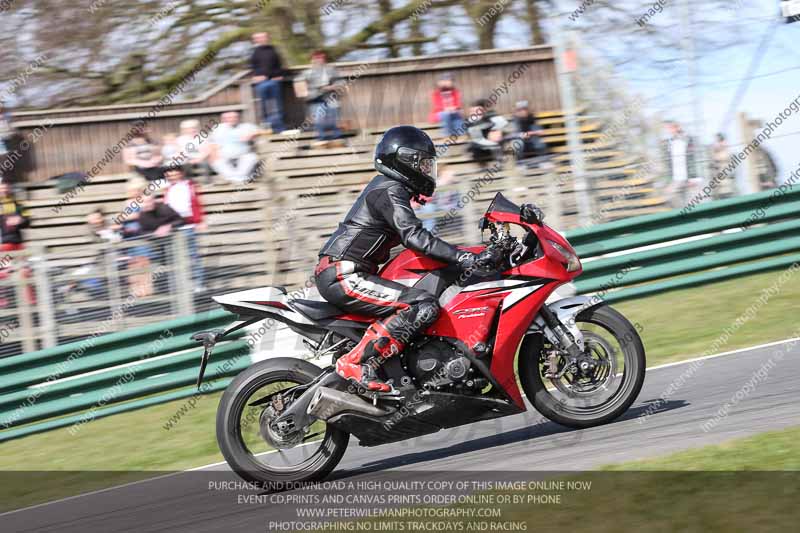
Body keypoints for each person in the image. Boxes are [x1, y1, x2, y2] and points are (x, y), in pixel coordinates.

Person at [315, 126, 494, 392]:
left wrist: (467, 253)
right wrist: (463, 257)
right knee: (419, 305)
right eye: (423, 164)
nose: (427, 170)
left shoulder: (389, 189)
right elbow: (414, 236)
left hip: (348, 272)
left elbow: (417, 238)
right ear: (405, 161)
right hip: (343, 274)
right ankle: (354, 362)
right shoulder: (388, 189)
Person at [163, 167, 206, 291]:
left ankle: (198, 284)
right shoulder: (168, 189)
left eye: (175, 174)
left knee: (193, 256)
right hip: (173, 227)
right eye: (170, 175)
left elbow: (196, 203)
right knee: (174, 257)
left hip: (188, 225)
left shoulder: (189, 185)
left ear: (181, 174)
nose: (173, 177)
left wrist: (200, 221)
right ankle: (177, 287)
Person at [298, 50, 342, 144]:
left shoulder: (331, 70)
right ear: (312, 59)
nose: (319, 60)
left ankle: (336, 139)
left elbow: (341, 82)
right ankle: (322, 140)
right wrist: (309, 92)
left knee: (333, 119)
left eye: (321, 58)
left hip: (330, 98)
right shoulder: (306, 73)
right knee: (319, 121)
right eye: (317, 58)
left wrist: (332, 87)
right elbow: (299, 86)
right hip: (315, 100)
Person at [210, 111, 261, 183]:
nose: (232, 119)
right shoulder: (218, 129)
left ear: (238, 118)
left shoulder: (246, 126)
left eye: (234, 117)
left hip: (243, 154)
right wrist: (214, 154)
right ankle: (238, 179)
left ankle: (236, 178)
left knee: (252, 157)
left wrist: (252, 134)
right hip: (225, 155)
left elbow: (263, 131)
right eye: (228, 118)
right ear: (223, 119)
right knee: (216, 161)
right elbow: (213, 144)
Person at [251, 32, 286, 133]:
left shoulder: (273, 50)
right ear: (255, 40)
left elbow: (279, 65)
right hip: (261, 83)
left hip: (274, 81)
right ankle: (268, 127)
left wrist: (279, 75)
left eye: (263, 37)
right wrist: (256, 76)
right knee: (264, 106)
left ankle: (279, 128)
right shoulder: (254, 52)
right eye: (258, 38)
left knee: (277, 105)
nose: (261, 39)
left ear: (267, 38)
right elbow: (253, 67)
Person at [428, 72, 464, 138]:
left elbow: (458, 104)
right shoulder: (435, 93)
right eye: (443, 81)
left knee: (458, 114)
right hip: (439, 113)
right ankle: (447, 134)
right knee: (446, 114)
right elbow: (437, 106)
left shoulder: (456, 92)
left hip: (453, 112)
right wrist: (446, 109)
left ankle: (461, 133)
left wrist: (454, 108)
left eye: (448, 81)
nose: (446, 83)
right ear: (439, 83)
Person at [0, 181, 30, 251]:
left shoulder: (18, 204)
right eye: (1, 188)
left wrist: (20, 220)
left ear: (10, 189)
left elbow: (28, 221)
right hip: (3, 244)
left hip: (17, 242)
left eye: (6, 188)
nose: (4, 190)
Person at [710, 133, 736, 199]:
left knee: (727, 192)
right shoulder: (716, 152)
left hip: (727, 182)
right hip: (720, 184)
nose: (717, 143)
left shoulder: (726, 151)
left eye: (719, 141)